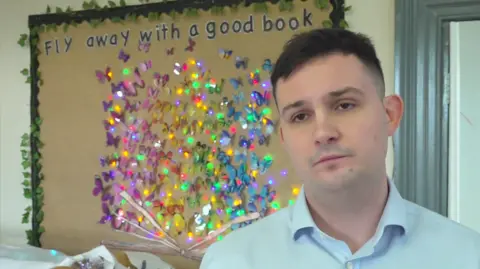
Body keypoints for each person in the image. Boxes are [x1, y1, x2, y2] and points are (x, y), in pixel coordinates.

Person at [199, 28, 480, 269]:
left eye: (344, 105)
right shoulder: (231, 261)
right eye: (300, 116)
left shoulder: (467, 256)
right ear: (284, 137)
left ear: (389, 115)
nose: (323, 133)